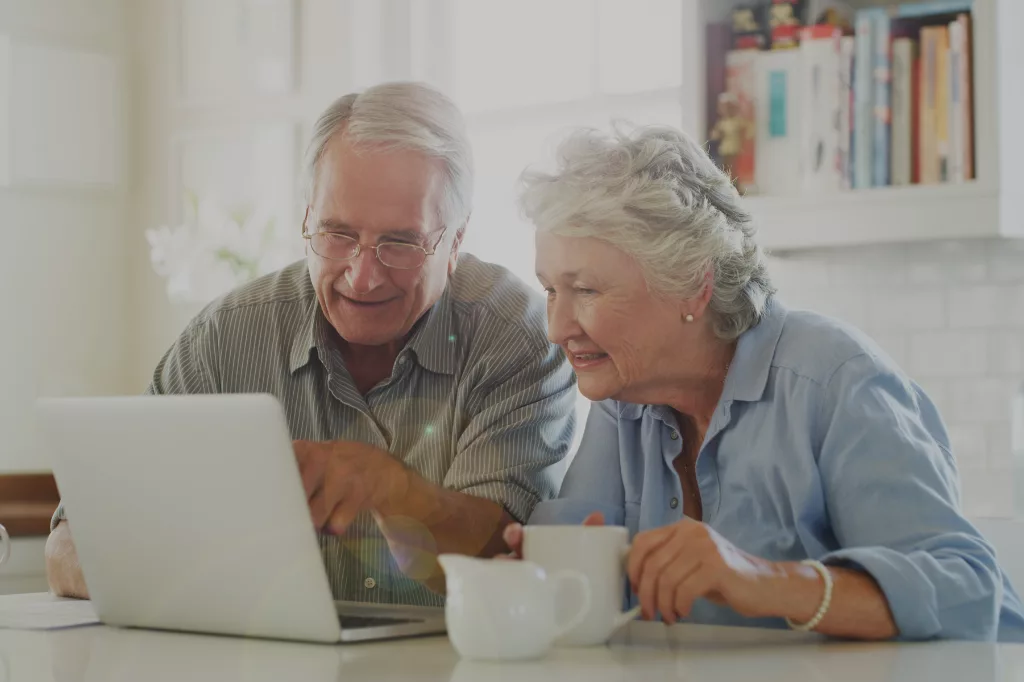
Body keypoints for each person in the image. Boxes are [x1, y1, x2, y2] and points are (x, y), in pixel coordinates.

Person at [45, 82, 577, 605]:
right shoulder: (228, 336)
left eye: (399, 243)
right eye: (336, 234)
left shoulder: (518, 336)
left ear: (455, 241)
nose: (362, 277)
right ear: (306, 220)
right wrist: (185, 582)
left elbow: (503, 555)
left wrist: (396, 493)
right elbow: (71, 540)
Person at [504, 122, 1024, 642]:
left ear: (692, 286)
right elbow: (569, 574)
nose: (556, 329)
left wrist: (763, 580)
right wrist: (531, 571)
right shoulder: (626, 400)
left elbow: (973, 594)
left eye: (587, 289)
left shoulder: (834, 380)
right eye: (550, 290)